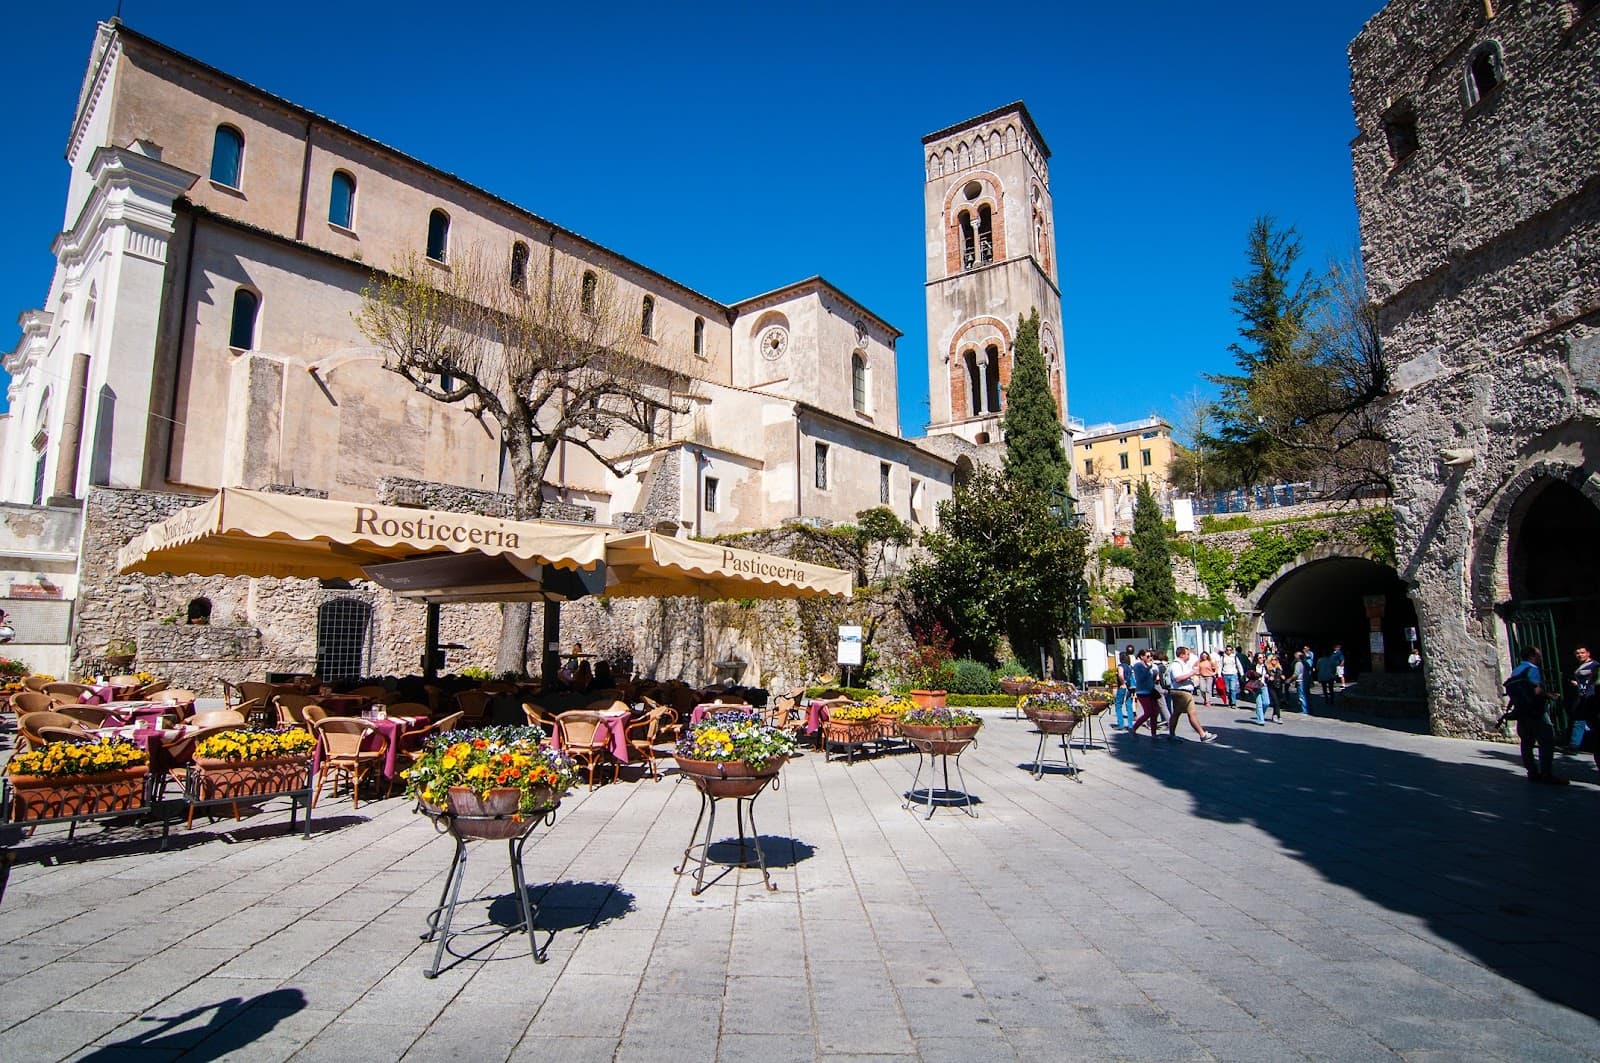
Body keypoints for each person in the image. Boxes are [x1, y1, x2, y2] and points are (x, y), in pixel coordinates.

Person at [1503, 645, 1565, 785]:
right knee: (1546, 741)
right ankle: (1546, 773)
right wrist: (1550, 695)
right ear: (1532, 656)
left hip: (1522, 711)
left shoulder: (1516, 670)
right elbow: (1537, 691)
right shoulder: (1533, 669)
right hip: (1536, 711)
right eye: (1538, 655)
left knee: (1526, 742)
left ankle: (1532, 771)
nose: (1541, 657)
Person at [1167, 646, 1218, 742]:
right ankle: (1202, 735)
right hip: (1181, 692)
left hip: (1183, 692)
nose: (1188, 656)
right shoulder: (1176, 664)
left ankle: (1172, 734)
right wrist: (1192, 673)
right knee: (1190, 713)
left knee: (1178, 714)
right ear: (1182, 655)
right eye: (1187, 654)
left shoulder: (1183, 664)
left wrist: (1193, 674)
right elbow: (1178, 678)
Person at [1568, 645, 1597, 762]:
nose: (1580, 655)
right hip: (1582, 697)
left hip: (1592, 697)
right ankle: (1574, 745)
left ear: (1588, 653)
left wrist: (1578, 684)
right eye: (1577, 653)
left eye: (1582, 653)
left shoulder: (1594, 666)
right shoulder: (1580, 667)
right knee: (1579, 721)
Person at [1128, 648, 1165, 739]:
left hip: (1151, 690)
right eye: (1148, 656)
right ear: (1142, 656)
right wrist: (1149, 669)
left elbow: (1153, 678)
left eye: (1151, 656)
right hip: (1142, 692)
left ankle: (1154, 733)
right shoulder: (1138, 666)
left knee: (1155, 712)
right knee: (1148, 712)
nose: (1150, 658)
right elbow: (1141, 677)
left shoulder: (1149, 666)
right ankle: (1134, 727)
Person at [1113, 646, 1136, 730]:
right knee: (1129, 705)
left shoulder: (1120, 666)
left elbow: (1120, 675)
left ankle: (1121, 724)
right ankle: (1130, 725)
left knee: (1118, 705)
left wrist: (1122, 682)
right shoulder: (1129, 667)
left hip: (1122, 687)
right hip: (1130, 688)